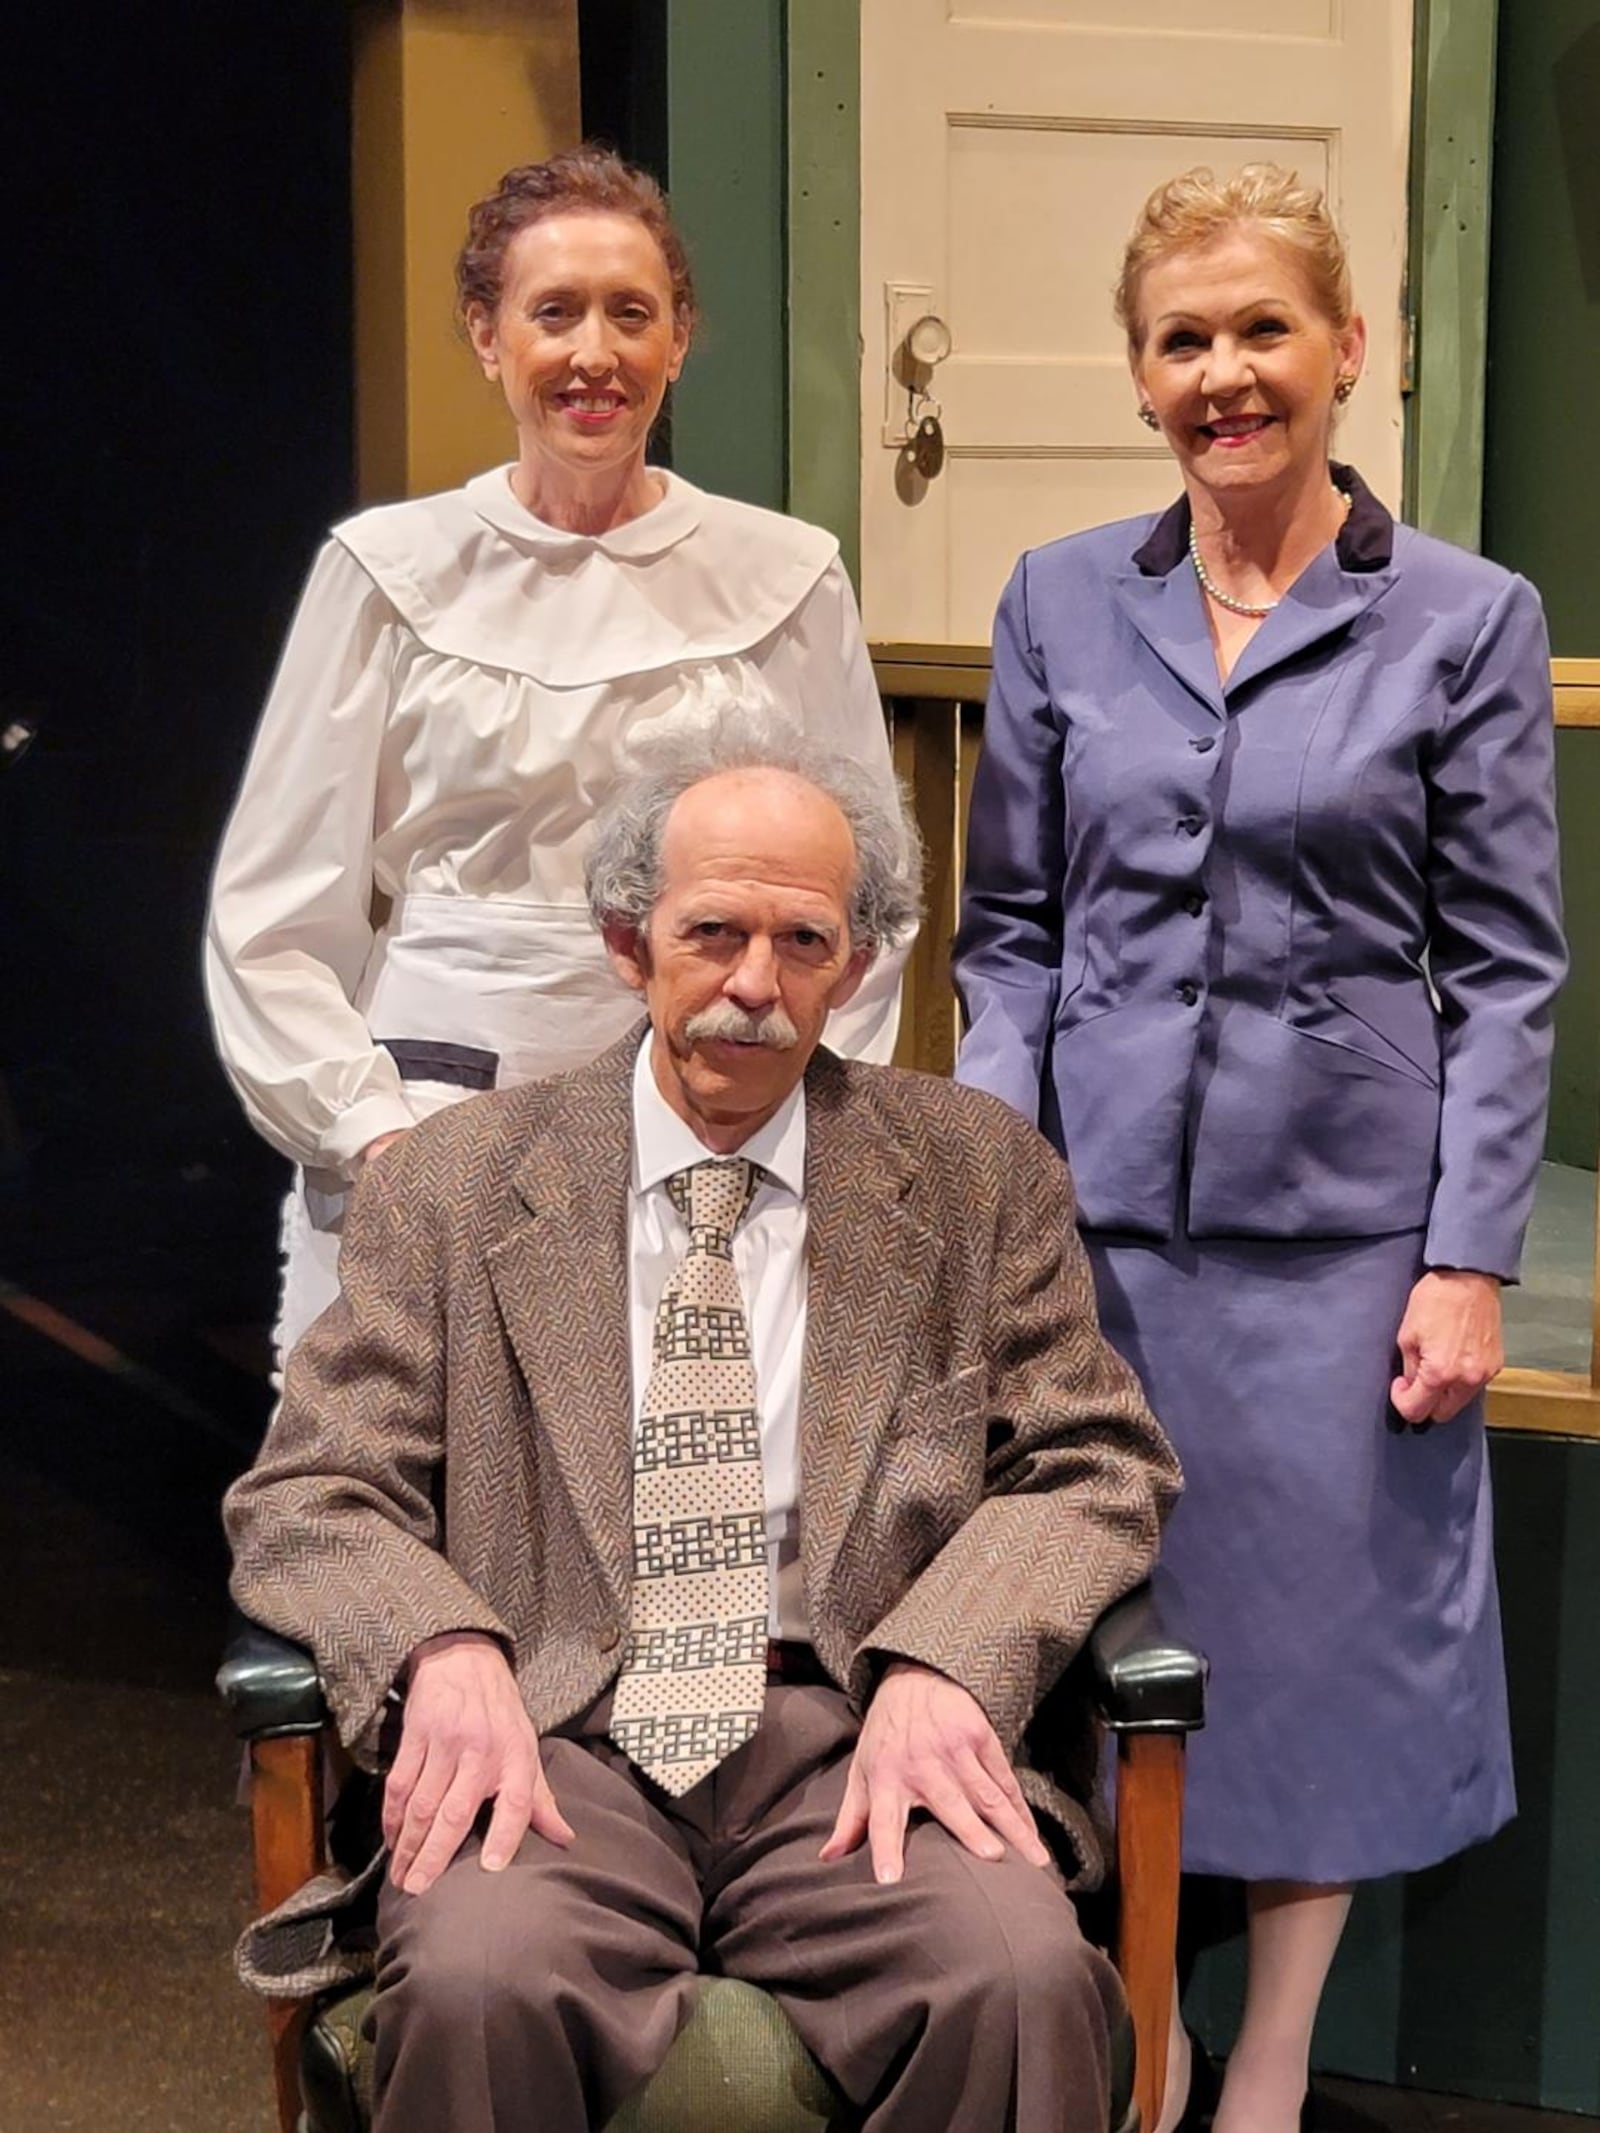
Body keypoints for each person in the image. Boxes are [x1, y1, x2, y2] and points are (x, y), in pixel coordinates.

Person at [223, 716, 1181, 2133]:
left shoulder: (975, 1174)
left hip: (857, 1729)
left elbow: (1098, 1465)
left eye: (805, 943)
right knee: (483, 1981)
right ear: (629, 941)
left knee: (1019, 1978)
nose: (755, 984)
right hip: (556, 1729)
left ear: (855, 966)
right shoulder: (461, 1178)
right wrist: (438, 1643)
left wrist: (950, 1657)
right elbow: (312, 1489)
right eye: (714, 931)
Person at [953, 165, 1565, 2133]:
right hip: (1096, 1234)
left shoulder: (1465, 617)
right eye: (1181, 340)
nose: (1223, 374)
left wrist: (1462, 1255)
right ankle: (1128, 2030)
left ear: (1343, 349)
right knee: (1083, 1642)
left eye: (1259, 331)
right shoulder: (1056, 597)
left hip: (1339, 1250)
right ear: (1139, 374)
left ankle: (1267, 2064)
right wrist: (985, 1210)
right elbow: (1013, 938)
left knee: (1299, 1668)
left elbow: (1498, 966)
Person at [204, 146, 906, 1370]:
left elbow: (857, 904)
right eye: (554, 313)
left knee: (682, 1497)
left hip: (716, 1105)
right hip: (438, 1109)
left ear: (679, 338)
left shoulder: (783, 575)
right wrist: (375, 1138)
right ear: (488, 337)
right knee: (417, 1494)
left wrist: (799, 1121)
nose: (595, 354)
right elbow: (270, 915)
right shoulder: (390, 571)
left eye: (631, 314)